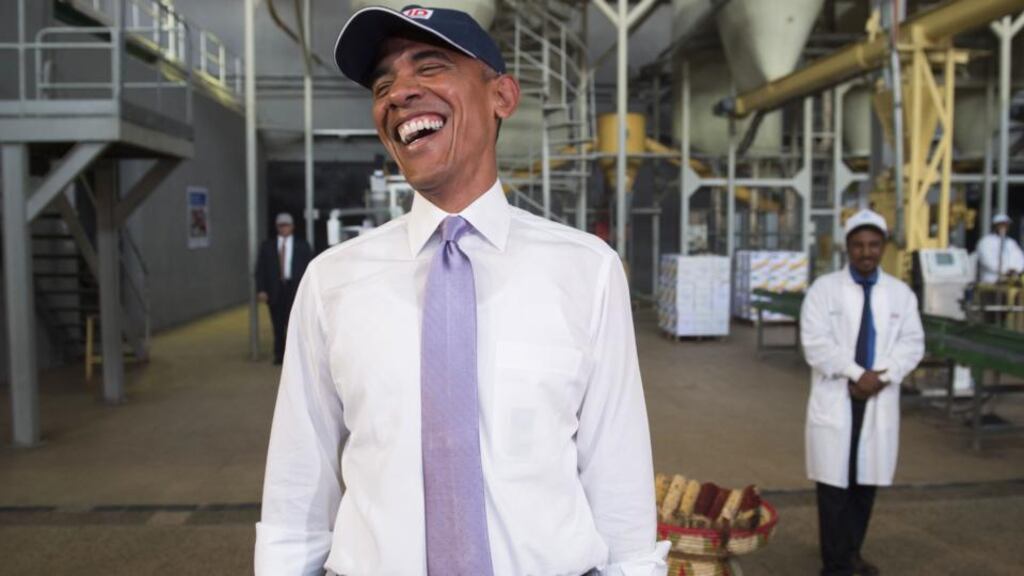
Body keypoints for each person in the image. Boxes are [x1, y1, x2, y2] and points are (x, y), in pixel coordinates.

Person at [255, 5, 666, 576]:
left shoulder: (587, 271)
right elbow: (297, 488)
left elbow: (617, 476)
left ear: (502, 96)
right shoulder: (332, 281)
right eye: (382, 85)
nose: (399, 93)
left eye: (430, 67)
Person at [800, 209, 925, 576]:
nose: (866, 252)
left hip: (877, 400)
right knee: (833, 488)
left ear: (883, 247)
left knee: (865, 484)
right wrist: (857, 374)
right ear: (847, 247)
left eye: (873, 245)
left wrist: (883, 377)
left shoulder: (900, 295)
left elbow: (912, 343)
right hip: (837, 396)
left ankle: (851, 554)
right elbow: (815, 343)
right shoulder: (824, 290)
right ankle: (835, 565)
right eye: (858, 245)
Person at [255, 212, 313, 364]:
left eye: (287, 225)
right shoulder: (267, 246)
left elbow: (309, 268)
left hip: (294, 289)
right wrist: (261, 289)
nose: (284, 228)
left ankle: (296, 356)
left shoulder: (302, 246)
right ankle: (279, 355)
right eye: (281, 225)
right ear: (277, 227)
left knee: (295, 323)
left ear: (292, 227)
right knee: (277, 324)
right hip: (276, 289)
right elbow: (261, 269)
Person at [975, 213, 1024, 284]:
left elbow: (1019, 258)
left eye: (1006, 225)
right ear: (995, 226)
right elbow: (987, 260)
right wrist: (1005, 270)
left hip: (1011, 280)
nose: (1004, 227)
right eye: (1001, 224)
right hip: (991, 280)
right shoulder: (985, 241)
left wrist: (1015, 270)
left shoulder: (1011, 242)